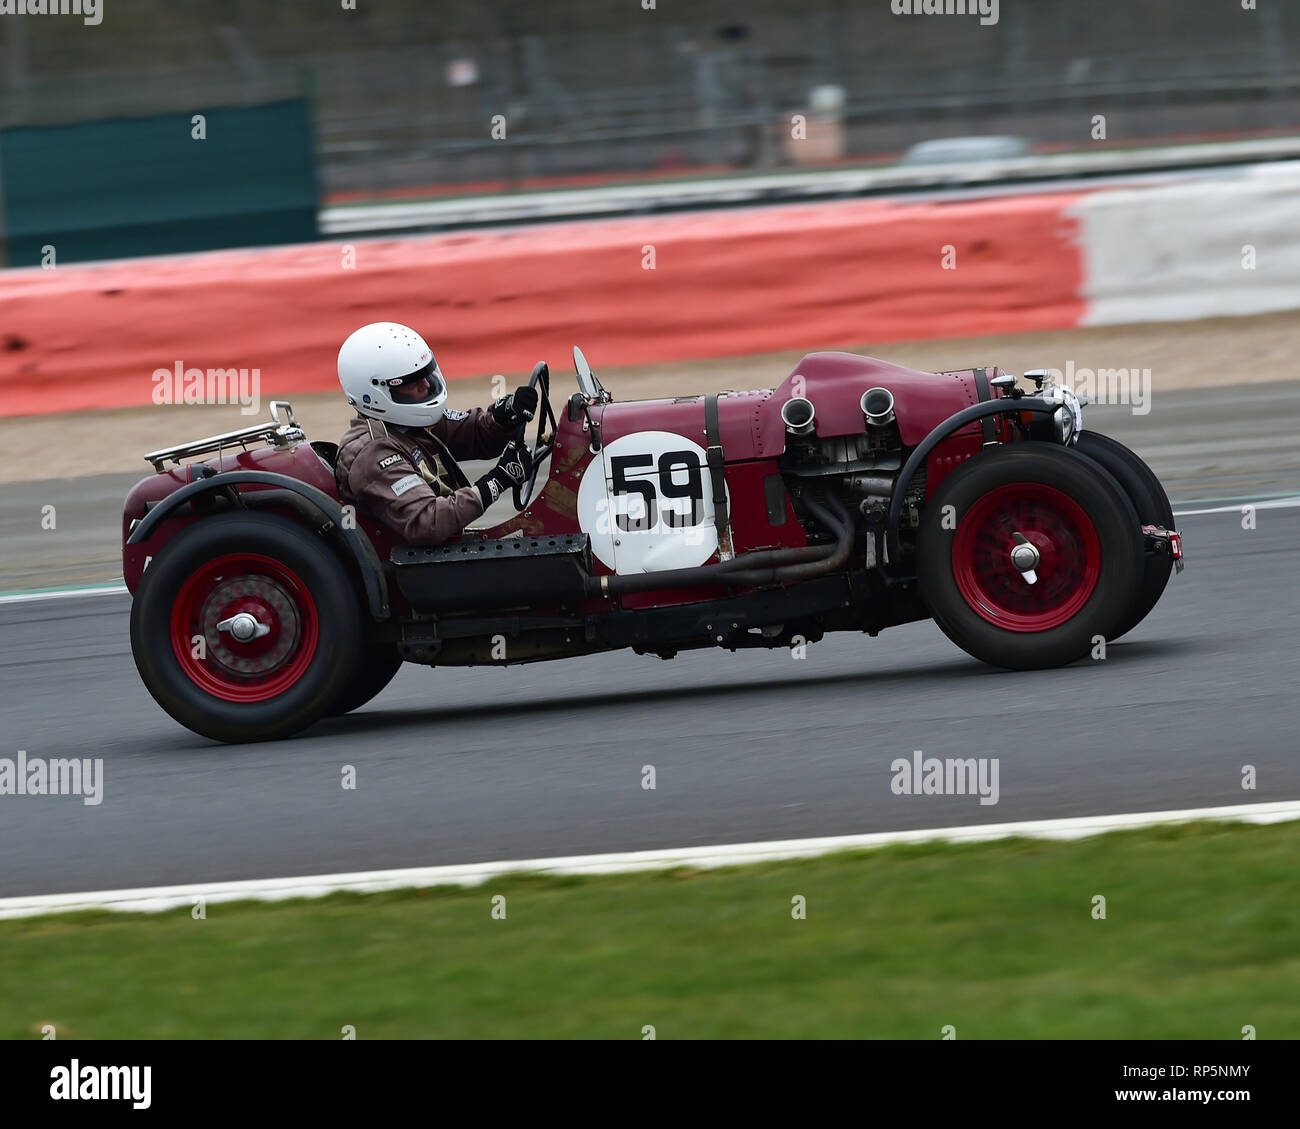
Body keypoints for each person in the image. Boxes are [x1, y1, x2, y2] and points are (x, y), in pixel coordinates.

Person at [334, 322, 538, 545]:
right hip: (405, 568)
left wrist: (503, 417)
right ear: (373, 394)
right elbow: (427, 522)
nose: (427, 386)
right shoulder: (374, 453)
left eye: (426, 374)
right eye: (411, 383)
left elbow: (473, 434)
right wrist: (496, 482)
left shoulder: (404, 423)